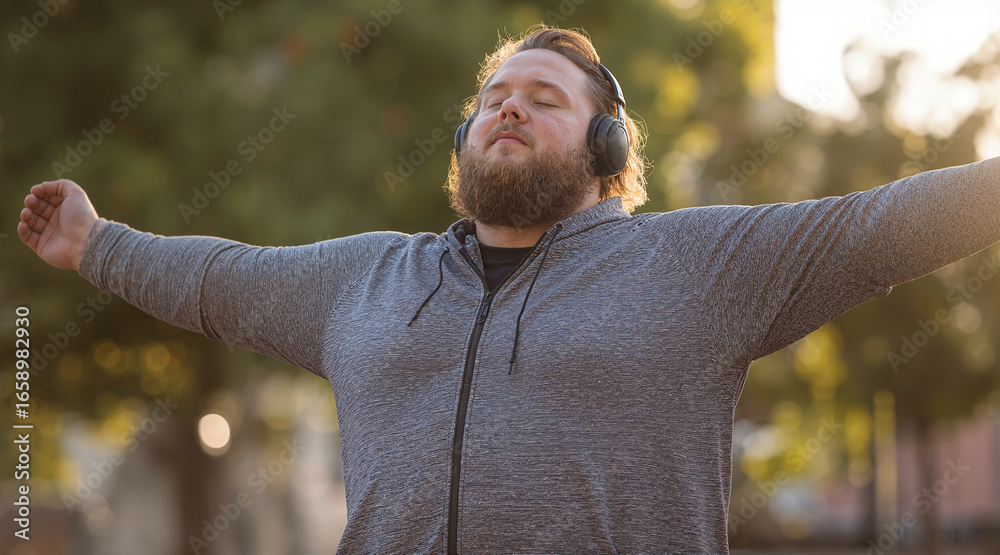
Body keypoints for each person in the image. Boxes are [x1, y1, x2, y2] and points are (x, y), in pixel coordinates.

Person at [18, 25, 1000, 554]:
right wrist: (95, 242)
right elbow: (219, 280)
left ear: (607, 151)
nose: (508, 110)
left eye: (543, 99)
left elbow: (887, 222)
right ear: (462, 140)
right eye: (492, 99)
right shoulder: (366, 278)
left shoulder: (701, 267)